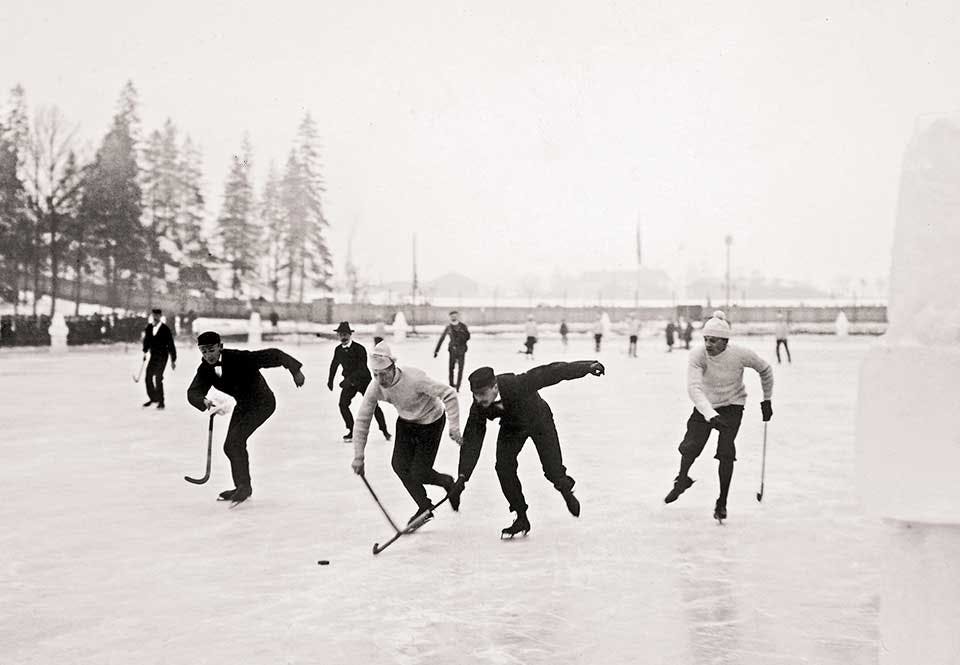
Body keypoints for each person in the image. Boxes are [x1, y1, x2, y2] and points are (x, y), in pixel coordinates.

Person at [455, 359, 606, 538]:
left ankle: (565, 489)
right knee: (503, 467)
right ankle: (521, 517)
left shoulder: (516, 384)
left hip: (539, 420)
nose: (478, 399)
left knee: (552, 470)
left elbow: (549, 373)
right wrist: (463, 477)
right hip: (512, 427)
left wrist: (586, 367)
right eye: (475, 395)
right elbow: (472, 440)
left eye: (481, 394)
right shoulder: (478, 407)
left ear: (495, 387)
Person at [663, 311, 774, 521]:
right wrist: (710, 414)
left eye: (713, 340)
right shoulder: (698, 355)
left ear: (725, 341)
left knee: (725, 452)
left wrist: (766, 400)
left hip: (733, 404)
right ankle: (682, 480)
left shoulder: (740, 354)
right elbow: (694, 388)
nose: (708, 344)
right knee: (690, 446)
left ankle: (722, 502)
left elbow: (765, 369)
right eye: (705, 339)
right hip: (706, 403)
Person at [186, 331, 305, 504]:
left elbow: (275, 355)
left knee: (235, 441)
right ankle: (243, 486)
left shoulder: (238, 358)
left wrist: (295, 370)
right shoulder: (205, 369)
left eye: (211, 350)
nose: (208, 355)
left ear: (220, 347)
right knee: (230, 445)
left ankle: (244, 487)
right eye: (203, 351)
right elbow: (193, 392)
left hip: (263, 403)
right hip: (243, 405)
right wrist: (203, 400)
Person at [351, 342, 461, 526]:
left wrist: (454, 427)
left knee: (420, 472)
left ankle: (447, 482)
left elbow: (449, 394)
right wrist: (359, 456)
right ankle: (424, 507)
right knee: (399, 466)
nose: (379, 379)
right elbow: (363, 420)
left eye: (383, 374)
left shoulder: (414, 379)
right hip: (406, 423)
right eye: (375, 374)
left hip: (431, 421)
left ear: (393, 367)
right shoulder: (375, 387)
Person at [328, 321, 390, 442]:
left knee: (373, 406)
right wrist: (330, 380)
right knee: (343, 405)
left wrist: (350, 380)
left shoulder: (359, 349)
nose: (343, 337)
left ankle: (385, 431)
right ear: (338, 336)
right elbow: (334, 365)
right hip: (349, 382)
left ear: (350, 335)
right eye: (341, 335)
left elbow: (362, 368)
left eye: (345, 334)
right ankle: (352, 430)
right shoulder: (338, 350)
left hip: (363, 381)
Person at [141, 308, 177, 409]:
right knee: (148, 377)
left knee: (158, 378)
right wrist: (145, 351)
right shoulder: (149, 327)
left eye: (157, 315)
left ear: (160, 316)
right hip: (153, 356)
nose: (155, 317)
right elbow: (147, 340)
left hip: (162, 357)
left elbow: (171, 344)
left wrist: (173, 360)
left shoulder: (165, 329)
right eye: (154, 315)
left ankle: (161, 402)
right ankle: (153, 398)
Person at [434, 310, 471, 391]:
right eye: (452, 316)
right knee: (451, 368)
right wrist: (436, 351)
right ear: (450, 317)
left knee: (460, 369)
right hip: (452, 351)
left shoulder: (463, 326)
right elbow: (442, 339)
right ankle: (451, 385)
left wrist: (462, 333)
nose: (453, 318)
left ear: (458, 316)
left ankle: (458, 387)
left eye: (455, 316)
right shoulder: (449, 327)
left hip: (461, 350)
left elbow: (468, 337)